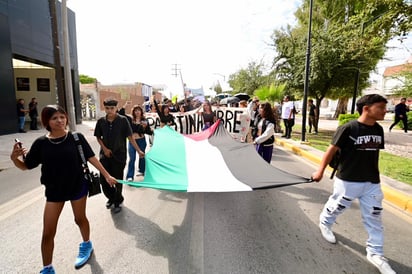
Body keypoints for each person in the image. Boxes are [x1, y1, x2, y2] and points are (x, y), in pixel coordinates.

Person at [10, 105, 117, 274]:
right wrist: (14, 158)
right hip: (54, 191)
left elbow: (91, 158)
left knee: (80, 219)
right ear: (47, 122)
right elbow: (26, 166)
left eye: (62, 116)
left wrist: (107, 175)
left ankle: (86, 244)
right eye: (54, 118)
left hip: (77, 186)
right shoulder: (41, 144)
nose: (60, 120)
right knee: (48, 232)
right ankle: (47, 268)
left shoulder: (76, 137)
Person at [311, 94, 396, 274]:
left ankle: (376, 253)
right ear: (367, 108)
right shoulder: (348, 128)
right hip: (348, 179)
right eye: (381, 107)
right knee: (338, 206)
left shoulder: (378, 130)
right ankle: (325, 222)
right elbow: (331, 150)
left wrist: (374, 174)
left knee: (374, 217)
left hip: (372, 182)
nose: (384, 111)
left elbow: (373, 154)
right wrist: (320, 171)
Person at [94, 99, 144, 213]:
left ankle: (117, 201)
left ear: (116, 108)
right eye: (107, 108)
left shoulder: (123, 121)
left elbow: (130, 137)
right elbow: (98, 137)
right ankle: (111, 197)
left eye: (112, 108)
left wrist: (139, 151)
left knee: (117, 180)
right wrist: (105, 149)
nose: (109, 110)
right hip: (104, 156)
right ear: (104, 108)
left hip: (119, 155)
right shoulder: (101, 121)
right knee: (104, 180)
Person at [120, 104, 153, 180]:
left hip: (141, 140)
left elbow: (148, 131)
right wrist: (125, 106)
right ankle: (130, 176)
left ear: (141, 112)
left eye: (139, 110)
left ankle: (142, 170)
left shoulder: (144, 121)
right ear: (133, 112)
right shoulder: (130, 120)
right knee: (132, 158)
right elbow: (121, 114)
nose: (137, 112)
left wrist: (149, 129)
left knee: (142, 156)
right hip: (132, 141)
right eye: (135, 111)